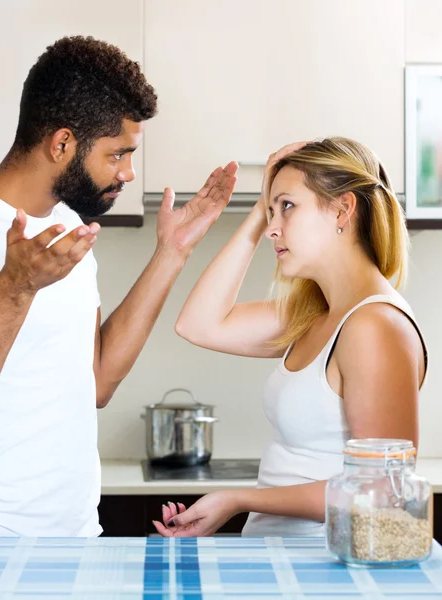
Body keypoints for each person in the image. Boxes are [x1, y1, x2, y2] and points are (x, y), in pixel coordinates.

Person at [0, 35, 238, 537]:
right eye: (117, 154)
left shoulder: (68, 228)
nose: (128, 172)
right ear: (62, 144)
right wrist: (15, 289)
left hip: (79, 538)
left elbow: (95, 382)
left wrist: (173, 252)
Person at [153, 137, 428, 538]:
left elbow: (383, 490)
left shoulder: (375, 326)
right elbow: (197, 325)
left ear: (342, 209)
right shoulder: (318, 315)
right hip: (280, 563)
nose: (272, 228)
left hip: (324, 570)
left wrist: (238, 499)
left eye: (288, 206)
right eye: (272, 211)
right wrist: (260, 211)